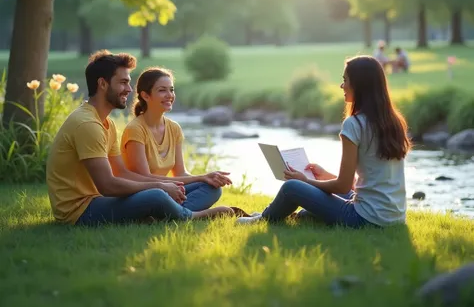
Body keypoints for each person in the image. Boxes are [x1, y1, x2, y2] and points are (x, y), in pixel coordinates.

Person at [46, 50, 233, 226]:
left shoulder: (107, 124)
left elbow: (122, 173)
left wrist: (170, 185)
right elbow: (107, 185)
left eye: (128, 82)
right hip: (80, 211)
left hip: (100, 200)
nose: (129, 89)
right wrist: (160, 187)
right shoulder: (87, 124)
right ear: (102, 84)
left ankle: (162, 215)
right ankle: (189, 216)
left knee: (200, 188)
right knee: (157, 196)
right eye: (123, 82)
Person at [237, 55, 411, 228]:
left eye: (345, 80)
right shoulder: (394, 121)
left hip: (364, 218)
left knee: (291, 188)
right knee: (308, 210)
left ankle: (262, 219)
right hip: (395, 218)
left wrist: (305, 181)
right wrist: (325, 175)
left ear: (359, 85)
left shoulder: (354, 123)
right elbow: (359, 184)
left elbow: (343, 186)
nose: (342, 85)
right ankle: (288, 215)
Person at [120, 67, 233, 212]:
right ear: (146, 95)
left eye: (171, 90)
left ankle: (172, 213)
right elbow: (145, 178)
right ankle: (181, 213)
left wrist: (205, 179)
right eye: (162, 90)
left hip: (166, 190)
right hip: (146, 193)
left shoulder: (174, 128)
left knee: (212, 188)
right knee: (159, 195)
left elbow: (180, 174)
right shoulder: (135, 129)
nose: (169, 95)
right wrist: (201, 177)